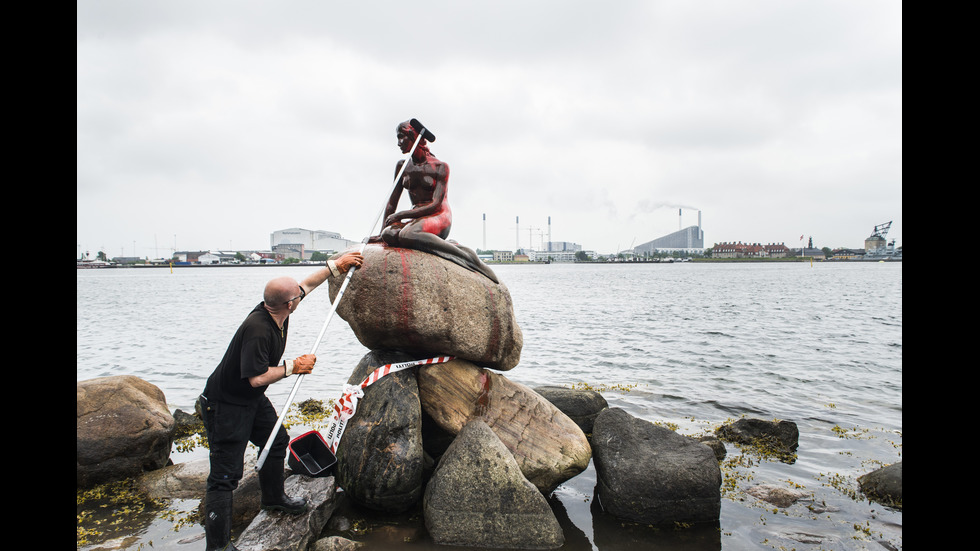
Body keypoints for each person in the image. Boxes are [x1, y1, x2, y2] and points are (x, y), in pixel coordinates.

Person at [198, 251, 363, 551]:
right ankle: (218, 546)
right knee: (224, 476)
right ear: (288, 304)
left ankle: (273, 498)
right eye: (296, 296)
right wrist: (293, 367)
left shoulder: (277, 309)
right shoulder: (259, 329)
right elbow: (256, 378)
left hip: (249, 399)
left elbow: (306, 285)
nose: (300, 296)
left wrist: (336, 267)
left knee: (276, 441)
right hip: (225, 404)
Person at [373, 120, 499, 284]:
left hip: (439, 216)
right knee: (389, 234)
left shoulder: (440, 167)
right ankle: (443, 245)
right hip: (418, 219)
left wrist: (403, 214)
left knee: (408, 234)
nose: (398, 143)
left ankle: (467, 256)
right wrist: (381, 232)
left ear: (413, 137)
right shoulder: (402, 167)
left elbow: (436, 204)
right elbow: (392, 202)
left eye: (401, 137)